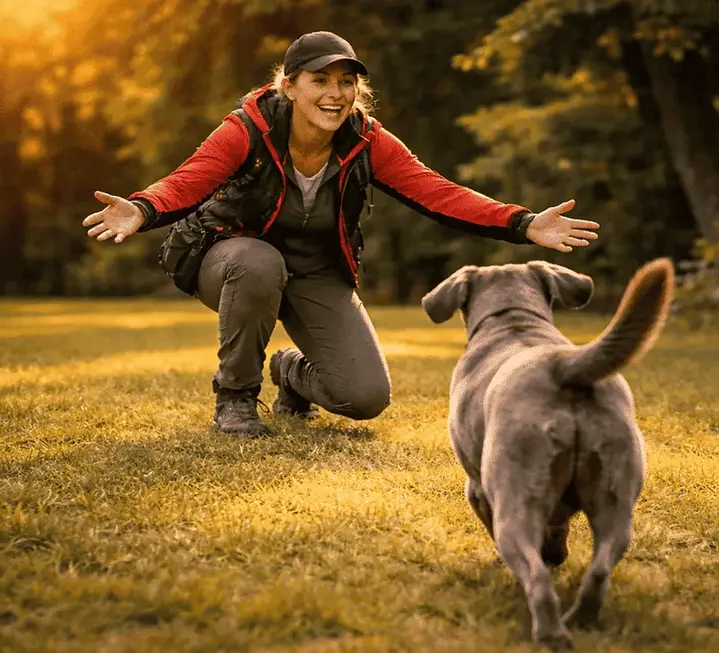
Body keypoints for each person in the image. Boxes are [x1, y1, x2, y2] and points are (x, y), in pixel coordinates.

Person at [82, 31, 600, 437]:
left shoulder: (366, 140)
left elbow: (436, 192)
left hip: (314, 269)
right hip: (230, 258)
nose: (335, 95)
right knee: (258, 262)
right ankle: (236, 398)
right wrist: (143, 208)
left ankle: (289, 372)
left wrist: (523, 221)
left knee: (365, 397)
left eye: (345, 83)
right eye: (320, 81)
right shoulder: (249, 128)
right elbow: (191, 178)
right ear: (290, 85)